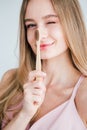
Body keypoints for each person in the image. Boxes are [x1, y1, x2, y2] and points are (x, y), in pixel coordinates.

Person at [0, 0, 87, 129]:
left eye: (51, 22)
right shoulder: (10, 80)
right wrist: (25, 114)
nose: (39, 34)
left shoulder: (83, 93)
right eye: (30, 25)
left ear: (72, 24)